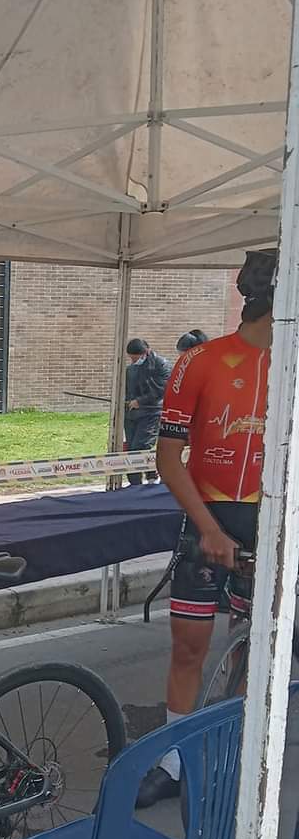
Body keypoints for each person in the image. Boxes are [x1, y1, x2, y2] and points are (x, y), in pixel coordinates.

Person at [136, 249, 276, 808]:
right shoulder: (202, 361)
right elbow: (168, 458)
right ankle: (173, 760)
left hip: (265, 519)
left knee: (248, 651)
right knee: (189, 647)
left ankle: (225, 748)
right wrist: (209, 529)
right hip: (207, 516)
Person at [124, 337, 170, 485]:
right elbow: (128, 389)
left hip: (152, 412)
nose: (133, 362)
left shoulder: (161, 364)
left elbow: (162, 389)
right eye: (131, 358)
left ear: (145, 352)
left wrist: (140, 401)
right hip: (131, 415)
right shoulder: (131, 369)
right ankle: (135, 484)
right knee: (131, 448)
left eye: (135, 358)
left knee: (141, 445)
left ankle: (150, 477)